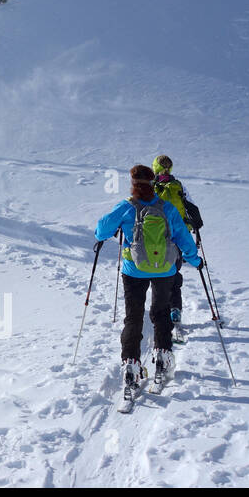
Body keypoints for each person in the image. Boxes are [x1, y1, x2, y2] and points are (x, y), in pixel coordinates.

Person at [95, 164, 201, 394]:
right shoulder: (168, 208)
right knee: (160, 312)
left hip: (134, 269)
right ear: (153, 183)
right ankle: (162, 357)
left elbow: (102, 230)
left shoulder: (126, 207)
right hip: (165, 269)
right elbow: (183, 237)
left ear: (132, 184)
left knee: (133, 317)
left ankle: (131, 366)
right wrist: (195, 259)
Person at [152, 154, 204, 342]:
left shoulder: (150, 187)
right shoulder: (179, 186)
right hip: (177, 237)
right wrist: (195, 227)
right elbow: (193, 209)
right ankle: (175, 309)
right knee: (173, 272)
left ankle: (160, 311)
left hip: (155, 238)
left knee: (157, 273)